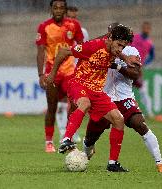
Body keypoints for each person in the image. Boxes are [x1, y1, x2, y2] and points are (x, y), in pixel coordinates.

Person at [47, 24, 138, 172]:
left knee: (119, 119)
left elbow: (116, 50)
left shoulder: (115, 48)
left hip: (97, 91)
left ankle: (113, 163)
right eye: (119, 45)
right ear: (110, 39)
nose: (121, 49)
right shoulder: (92, 47)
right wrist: (52, 74)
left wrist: (125, 58)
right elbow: (63, 52)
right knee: (85, 103)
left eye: (124, 46)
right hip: (79, 84)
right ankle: (66, 139)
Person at [82, 45, 162, 173]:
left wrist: (117, 66)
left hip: (125, 98)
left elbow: (135, 74)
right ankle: (85, 154)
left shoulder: (131, 51)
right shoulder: (101, 49)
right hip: (104, 98)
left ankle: (160, 163)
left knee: (140, 124)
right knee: (90, 137)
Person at [35, 0, 84, 153]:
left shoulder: (74, 25)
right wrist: (41, 74)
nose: (58, 10)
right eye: (55, 8)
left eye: (61, 8)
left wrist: (83, 70)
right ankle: (49, 141)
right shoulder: (44, 27)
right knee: (52, 107)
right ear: (51, 9)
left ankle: (67, 137)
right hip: (52, 74)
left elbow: (83, 47)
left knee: (75, 105)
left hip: (70, 73)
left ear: (65, 10)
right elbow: (41, 51)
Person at [55, 5, 90, 143]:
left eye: (75, 17)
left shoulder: (83, 32)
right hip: (62, 70)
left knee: (76, 103)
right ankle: (62, 132)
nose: (72, 20)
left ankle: (71, 130)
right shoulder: (57, 30)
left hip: (78, 71)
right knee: (61, 102)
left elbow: (86, 50)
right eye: (70, 17)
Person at [131, 21, 156, 119]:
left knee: (143, 90)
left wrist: (144, 63)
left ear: (149, 30)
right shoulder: (135, 37)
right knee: (124, 90)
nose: (146, 29)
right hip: (127, 67)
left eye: (148, 28)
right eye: (144, 27)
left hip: (138, 70)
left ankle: (150, 112)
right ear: (142, 28)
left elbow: (152, 56)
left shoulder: (150, 43)